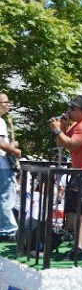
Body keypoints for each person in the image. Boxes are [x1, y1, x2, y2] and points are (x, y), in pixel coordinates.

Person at [49, 95, 82, 260]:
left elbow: (71, 145)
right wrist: (63, 128)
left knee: (79, 210)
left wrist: (58, 130)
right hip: (80, 171)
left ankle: (78, 249)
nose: (69, 111)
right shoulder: (77, 124)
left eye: (72, 108)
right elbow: (61, 144)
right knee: (80, 210)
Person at [0, 92, 21, 238]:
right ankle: (9, 231)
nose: (8, 105)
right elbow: (1, 143)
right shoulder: (0, 121)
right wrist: (15, 150)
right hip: (2, 165)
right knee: (6, 197)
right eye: (5, 102)